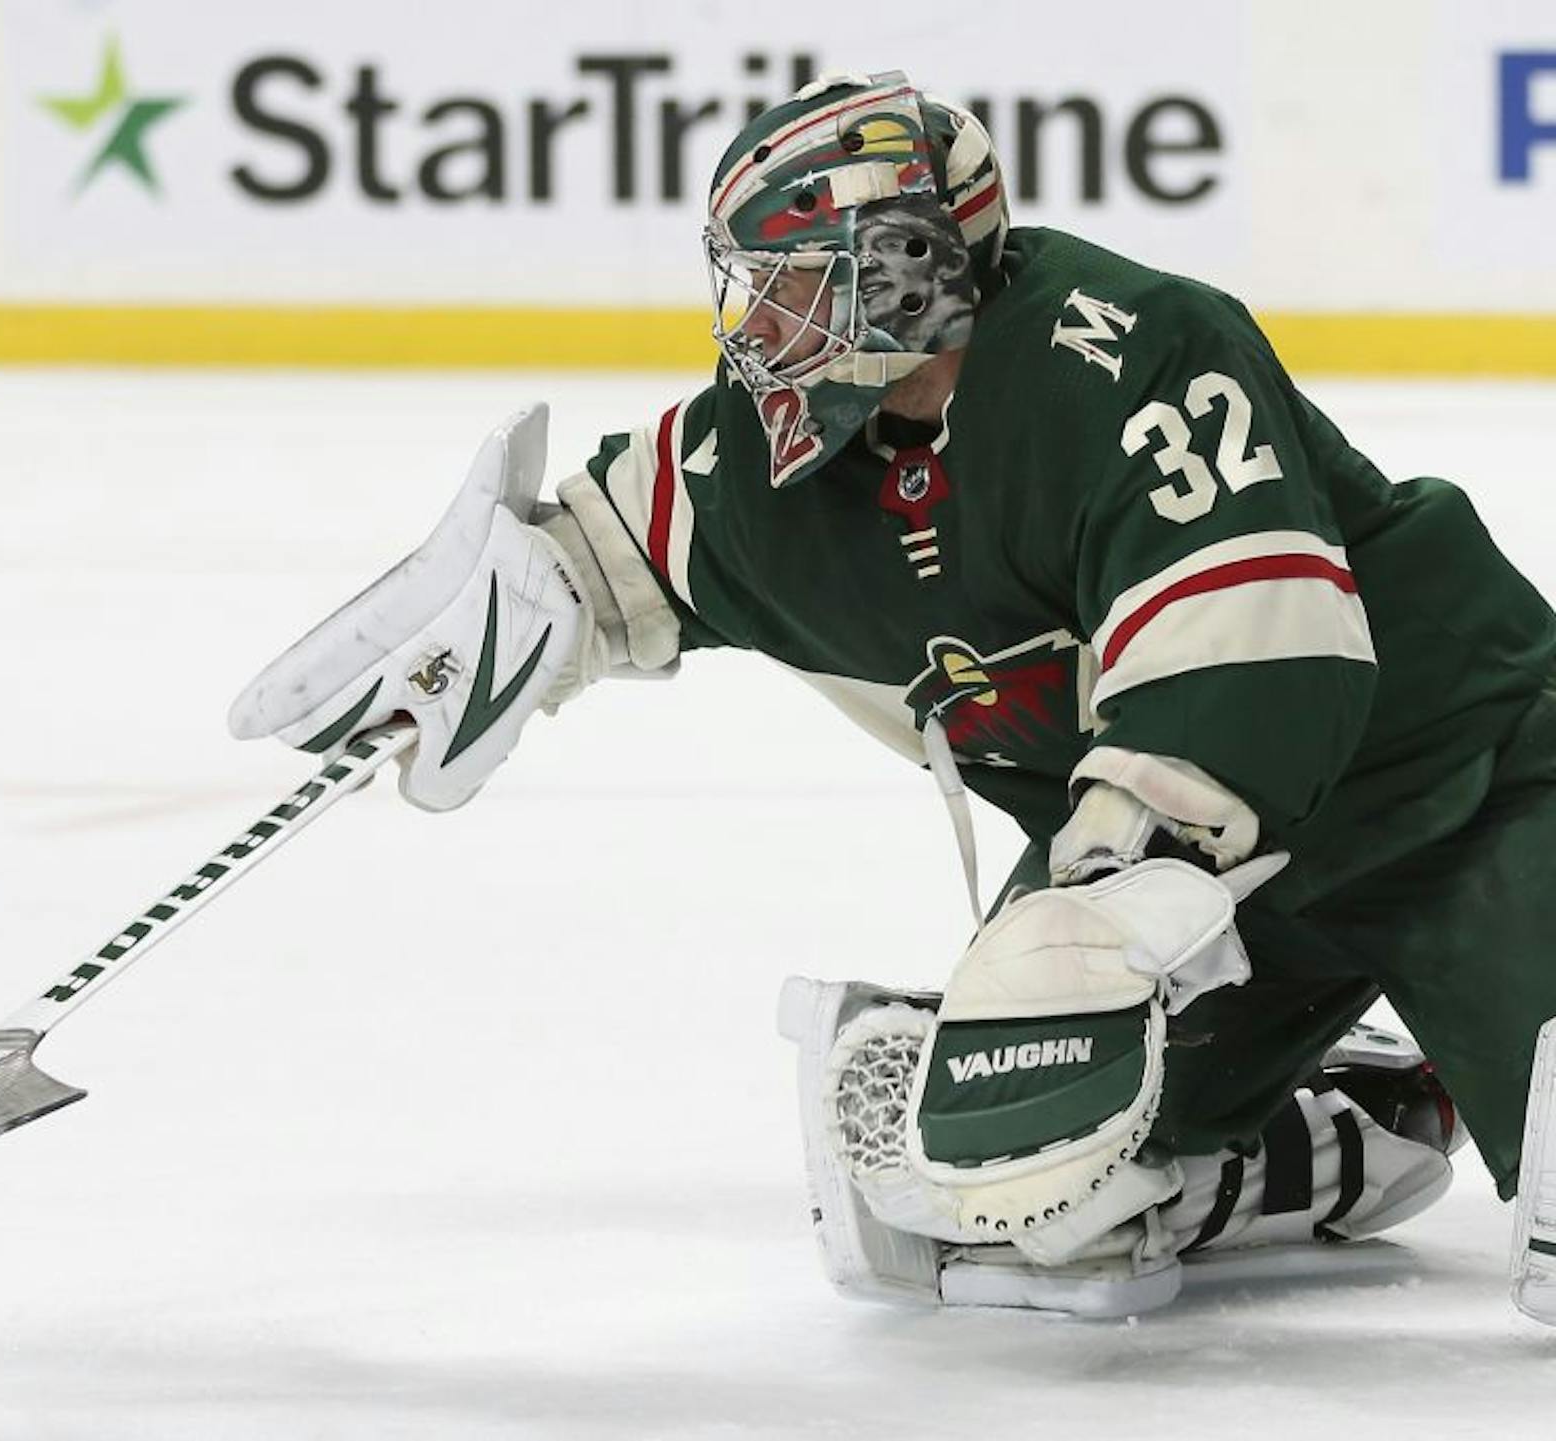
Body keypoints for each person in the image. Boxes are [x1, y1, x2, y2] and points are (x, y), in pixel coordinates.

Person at [227, 70, 1556, 1315]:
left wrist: (1101, 896)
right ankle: (1355, 1131)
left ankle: (1472, 1026)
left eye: (791, 291)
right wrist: (508, 611)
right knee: (1012, 1190)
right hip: (1216, 890)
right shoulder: (776, 462)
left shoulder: (1128, 352)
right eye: (749, 294)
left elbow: (1250, 656)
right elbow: (620, 541)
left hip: (1461, 792)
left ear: (907, 273)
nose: (757, 333)